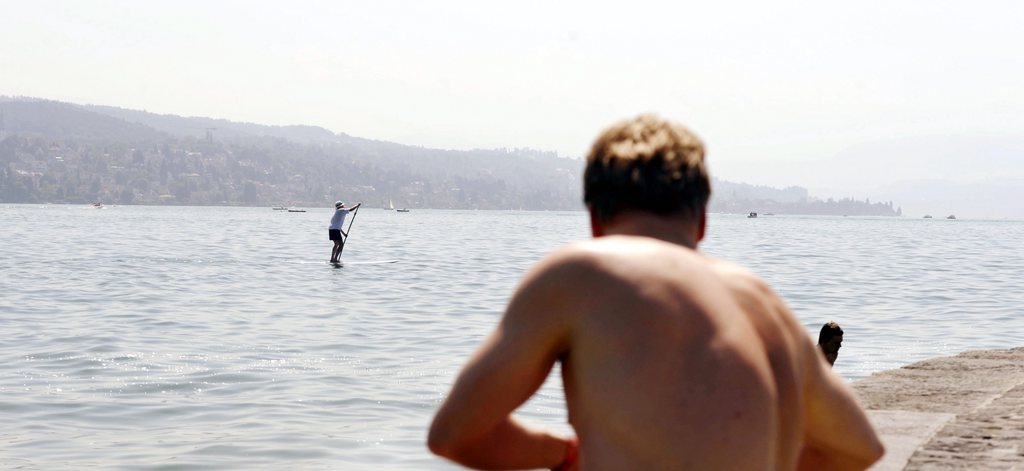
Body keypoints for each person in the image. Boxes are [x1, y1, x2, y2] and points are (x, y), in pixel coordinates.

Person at [428, 115, 883, 470]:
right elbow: (858, 449)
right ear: (702, 220)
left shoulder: (581, 274)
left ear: (594, 221)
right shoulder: (761, 300)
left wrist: (565, 454)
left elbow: (457, 433)